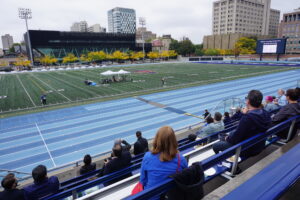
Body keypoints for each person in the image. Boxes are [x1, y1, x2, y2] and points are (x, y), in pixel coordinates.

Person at [213, 90, 271, 157]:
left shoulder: (247, 118)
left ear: (248, 101)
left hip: (247, 149)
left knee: (216, 146)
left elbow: (234, 139)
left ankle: (233, 166)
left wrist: (226, 138)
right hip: (259, 144)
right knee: (231, 133)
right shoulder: (266, 113)